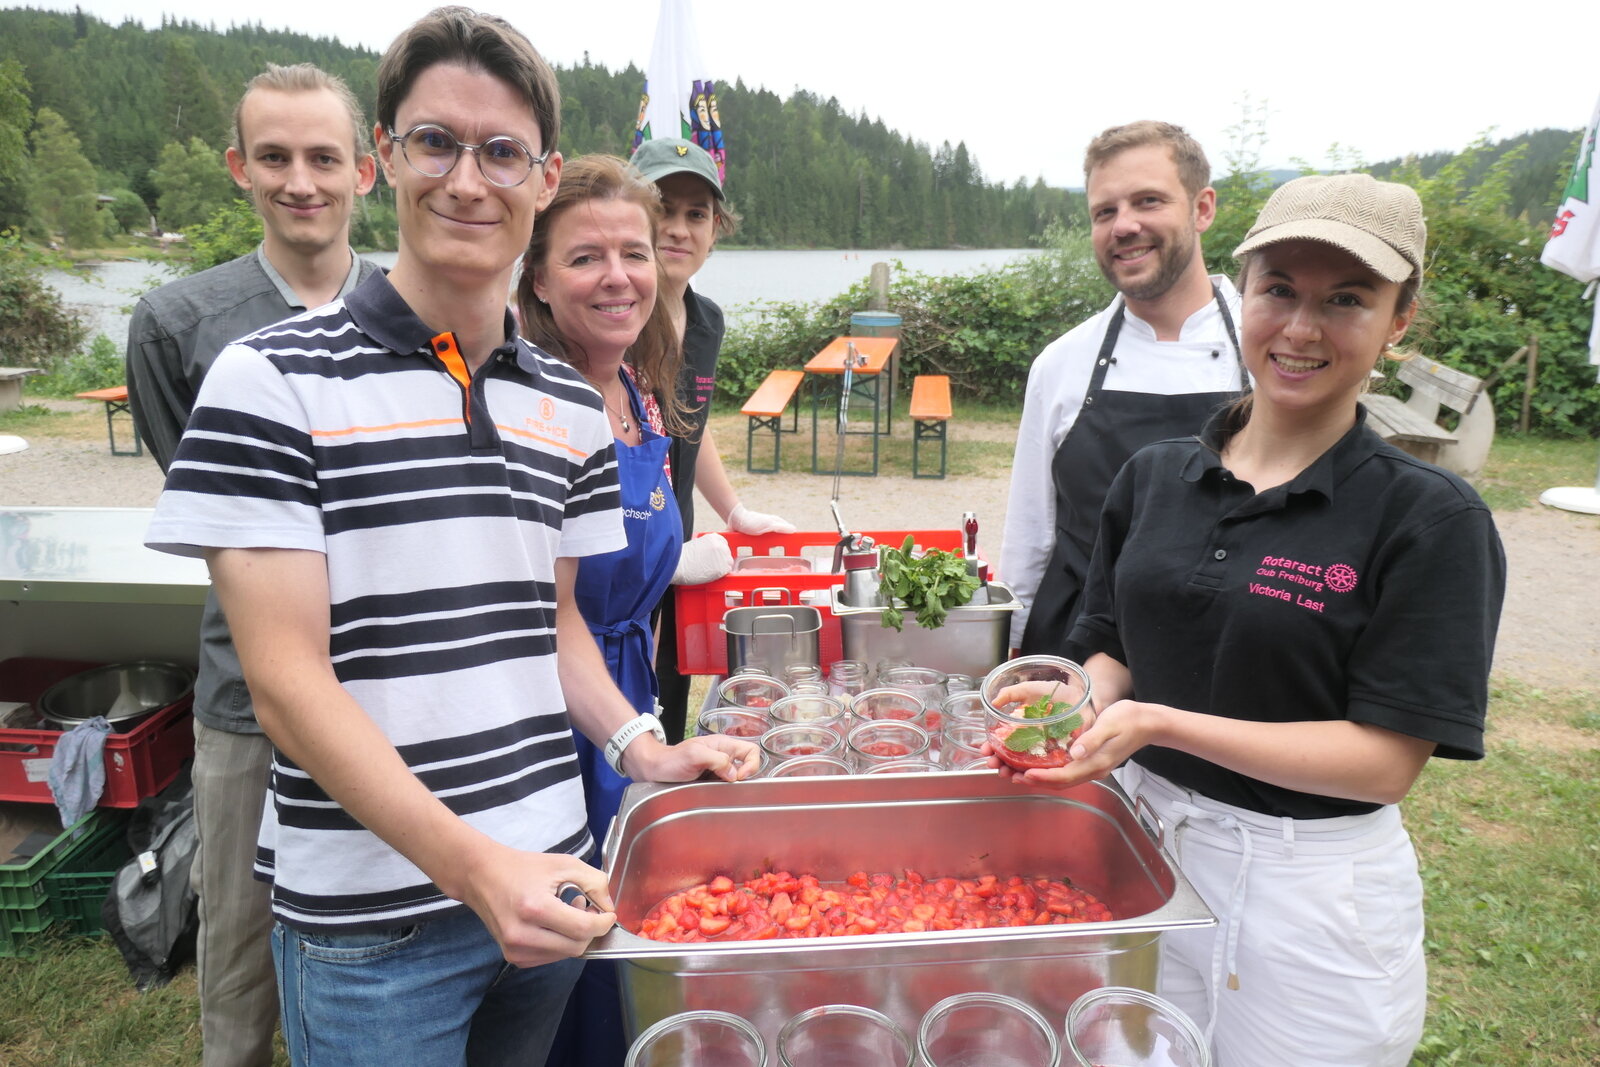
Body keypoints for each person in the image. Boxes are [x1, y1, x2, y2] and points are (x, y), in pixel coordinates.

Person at [144, 10, 756, 1066]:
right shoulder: (269, 379)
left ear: (542, 176)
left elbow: (553, 624)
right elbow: (285, 683)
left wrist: (642, 747)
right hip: (373, 924)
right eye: (436, 142)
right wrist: (476, 867)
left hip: (551, 875)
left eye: (502, 151)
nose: (468, 181)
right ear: (386, 156)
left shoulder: (568, 403)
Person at [991, 173, 1506, 1066]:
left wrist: (1156, 723)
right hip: (1143, 842)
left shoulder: (1428, 518)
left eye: (1346, 300)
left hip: (1310, 892)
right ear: (1244, 292)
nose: (1301, 328)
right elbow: (1113, 645)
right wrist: (1077, 704)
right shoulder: (1154, 477)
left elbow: (1385, 762)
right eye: (1280, 289)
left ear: (1400, 320)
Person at [124, 62, 379, 1067]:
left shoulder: (416, 308)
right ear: (239, 166)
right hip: (248, 695)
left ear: (365, 169)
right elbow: (215, 513)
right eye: (274, 157)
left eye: (323, 157)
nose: (299, 181)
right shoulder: (177, 324)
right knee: (239, 945)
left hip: (394, 683)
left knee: (386, 927)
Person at [1001, 120, 1245, 656]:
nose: (1124, 226)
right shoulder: (1061, 363)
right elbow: (1031, 531)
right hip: (1077, 650)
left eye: (1148, 201)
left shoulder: (1269, 352)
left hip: (1225, 647)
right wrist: (1011, 648)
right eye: (1104, 212)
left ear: (1202, 208)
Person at [630, 136, 794, 742]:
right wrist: (658, 558)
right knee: (620, 722)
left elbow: (689, 424)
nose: (678, 228)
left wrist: (734, 512)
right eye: (661, 209)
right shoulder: (615, 314)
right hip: (624, 563)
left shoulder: (706, 322)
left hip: (678, 554)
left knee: (667, 712)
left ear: (716, 229)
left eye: (696, 214)